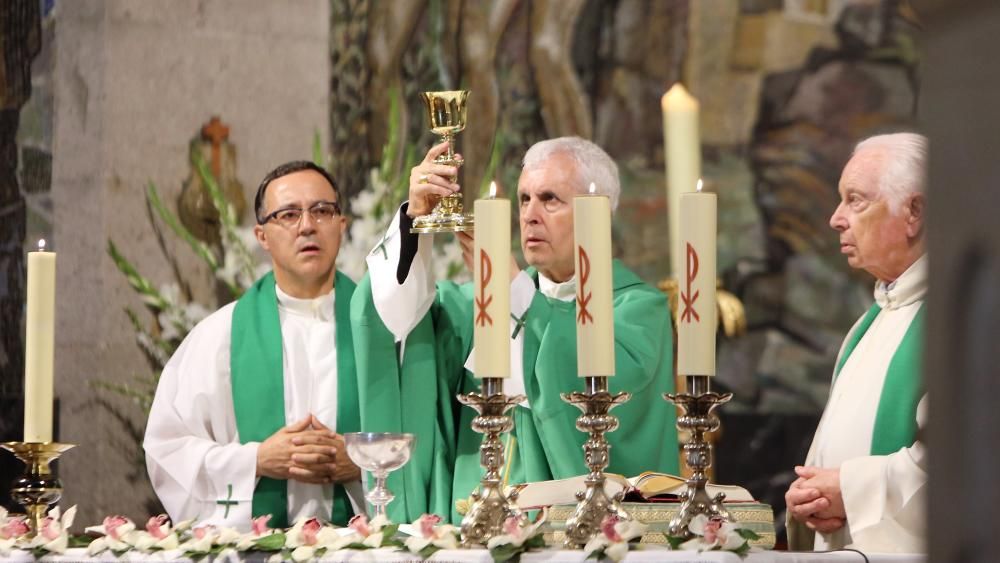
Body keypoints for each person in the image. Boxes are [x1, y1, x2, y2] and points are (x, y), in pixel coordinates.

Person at [352, 136, 679, 524]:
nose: (530, 215)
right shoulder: (475, 303)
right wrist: (414, 224)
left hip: (575, 534)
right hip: (472, 524)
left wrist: (512, 290)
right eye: (524, 199)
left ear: (600, 214)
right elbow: (398, 322)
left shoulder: (637, 309)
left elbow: (603, 404)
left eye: (550, 199)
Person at [144, 161, 363, 530]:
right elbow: (168, 448)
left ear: (342, 226)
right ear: (261, 236)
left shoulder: (379, 330)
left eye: (322, 211)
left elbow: (431, 443)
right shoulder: (220, 335)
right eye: (289, 214)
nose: (307, 225)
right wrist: (257, 460)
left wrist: (361, 463)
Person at [785, 133, 929, 552]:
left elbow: (964, 466)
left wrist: (849, 490)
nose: (836, 218)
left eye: (855, 200)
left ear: (914, 212)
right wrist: (812, 495)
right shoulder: (873, 320)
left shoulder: (954, 324)